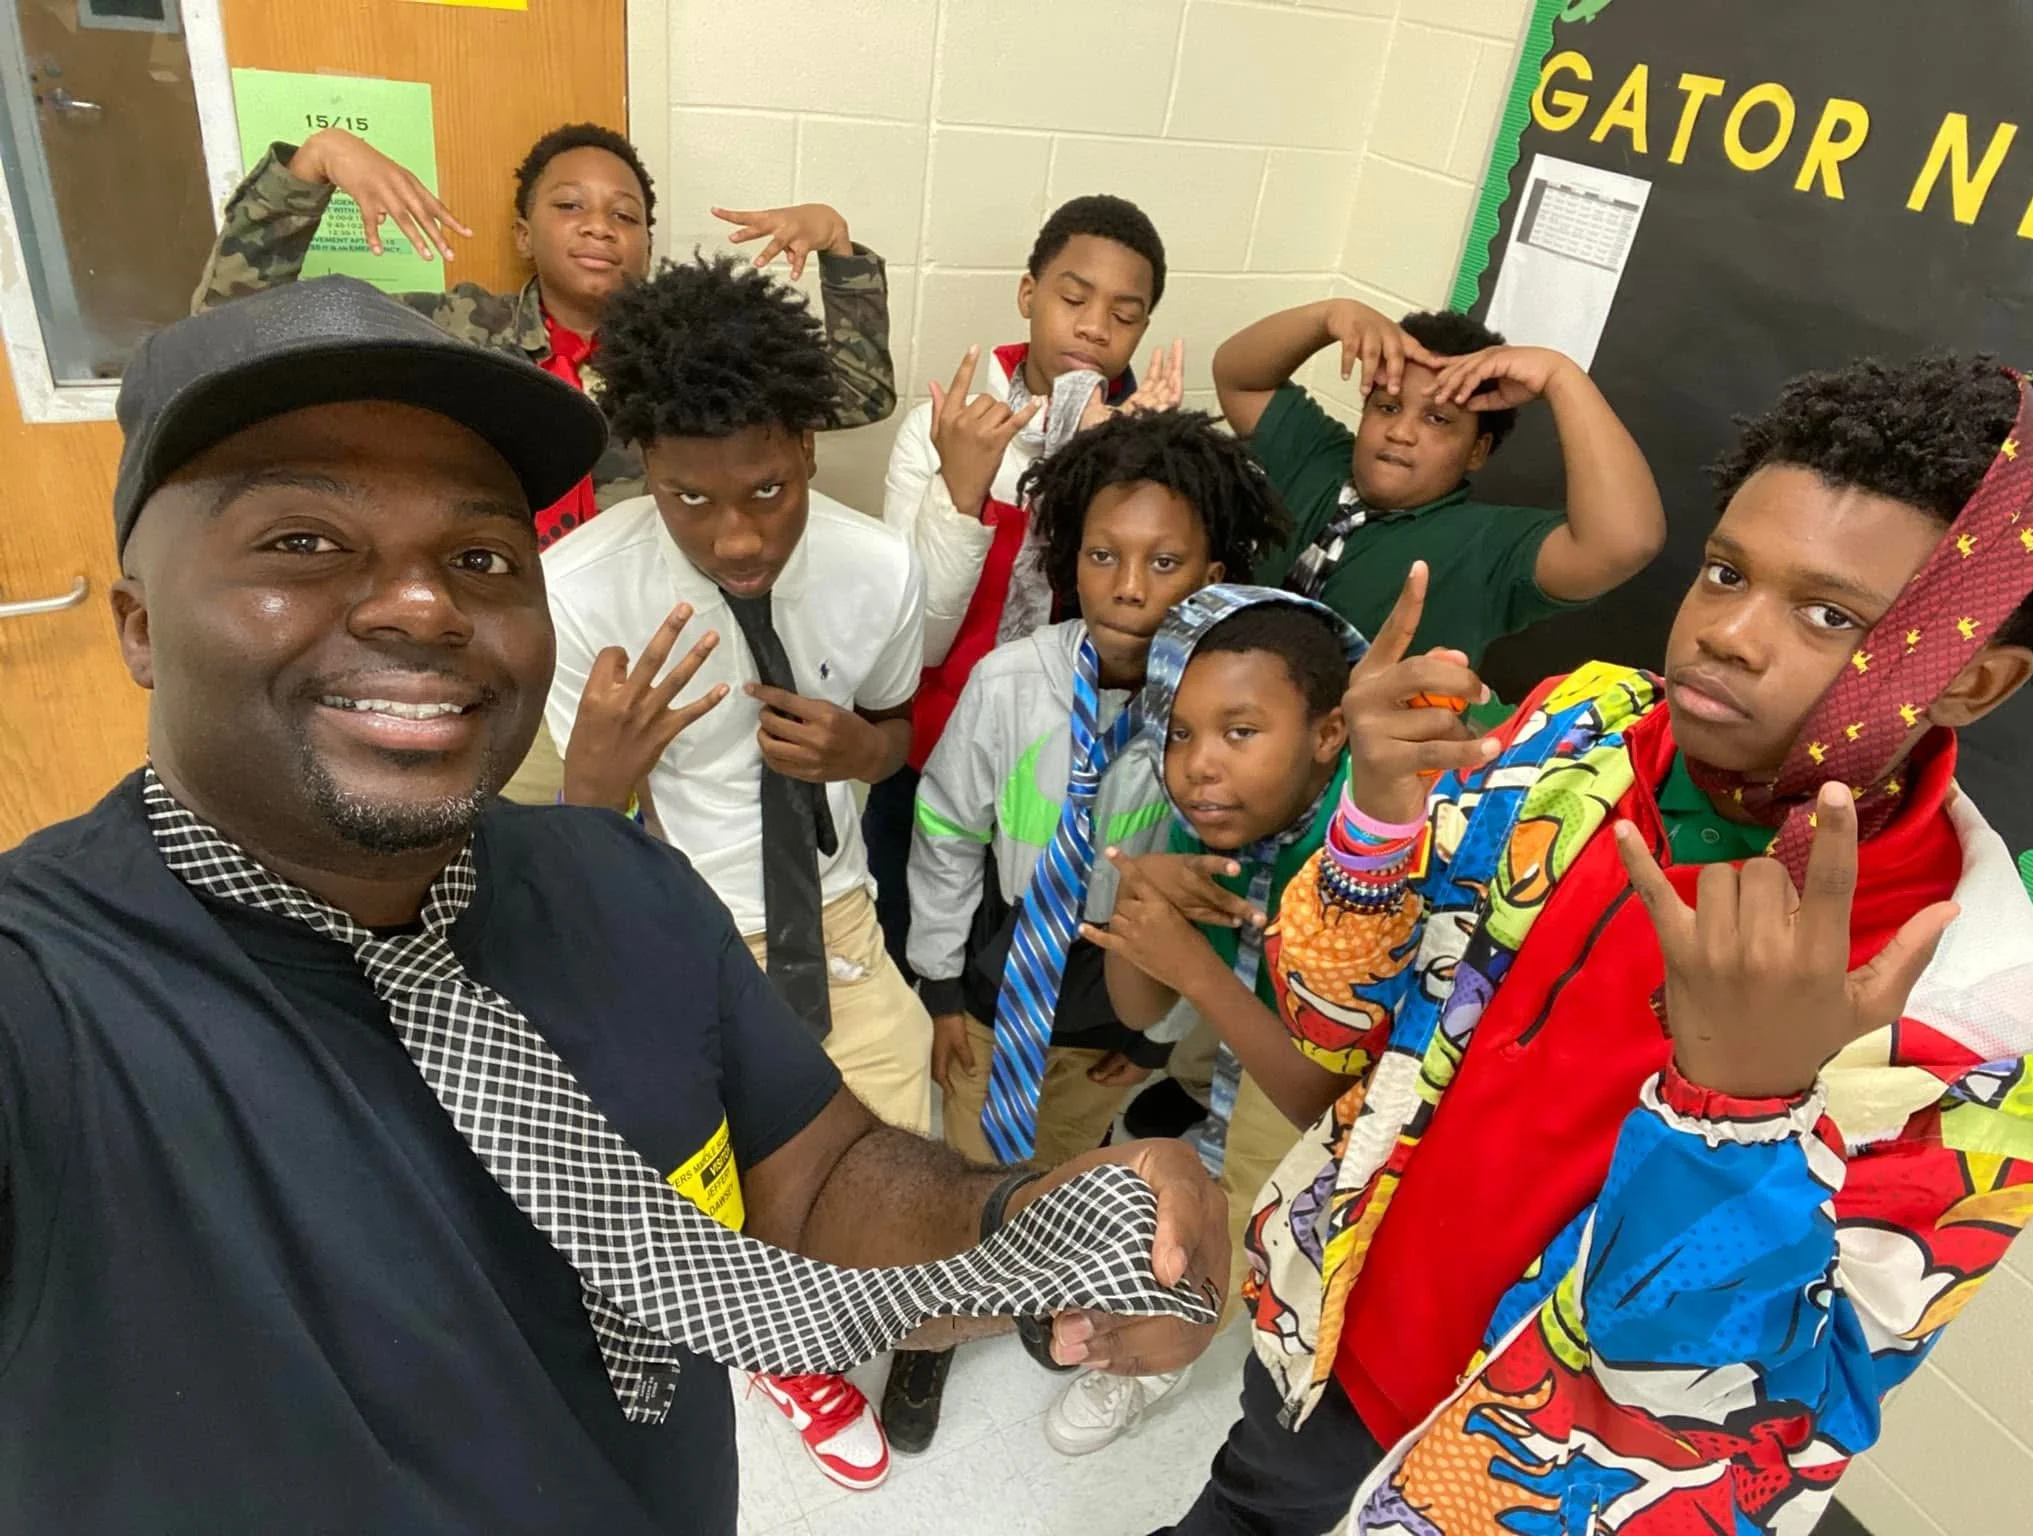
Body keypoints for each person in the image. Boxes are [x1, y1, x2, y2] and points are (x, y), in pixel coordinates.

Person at [0, 277, 1229, 1536]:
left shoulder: (623, 887)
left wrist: (1025, 1224)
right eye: (302, 544)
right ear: (138, 625)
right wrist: (604, 768)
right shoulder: (46, 1009)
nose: (421, 604)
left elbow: (816, 1180)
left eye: (479, 557)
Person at [1157, 353, 2033, 1535]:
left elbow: (1788, 1411)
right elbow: (1335, 1033)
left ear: (1972, 681)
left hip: (1541, 1497)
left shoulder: (1980, 1015)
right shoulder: (1570, 735)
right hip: (1323, 1358)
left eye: (1829, 616)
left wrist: (1737, 1119)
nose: (1726, 634)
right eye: (1725, 571)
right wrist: (1371, 822)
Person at [537, 252, 934, 1490]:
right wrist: (597, 777)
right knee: (706, 1167)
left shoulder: (878, 569)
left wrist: (862, 750)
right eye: (688, 498)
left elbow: (898, 731)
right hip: (679, 915)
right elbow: (578, 852)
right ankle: (774, 1344)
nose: (739, 535)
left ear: (808, 447)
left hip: (833, 908)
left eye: (767, 488)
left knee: (895, 1137)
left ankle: (851, 1316)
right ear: (642, 469)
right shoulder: (580, 593)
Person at [883, 410, 1289, 1455]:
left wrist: (1151, 1040)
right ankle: (933, 1328)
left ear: (1212, 573)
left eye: (1166, 562)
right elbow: (945, 836)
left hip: (1120, 987)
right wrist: (937, 985)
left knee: (1068, 1153)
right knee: (966, 1166)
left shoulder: (1216, 715)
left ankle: (1033, 1280)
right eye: (1104, 556)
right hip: (1002, 972)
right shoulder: (1011, 681)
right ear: (1071, 558)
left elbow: (1218, 894)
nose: (1129, 586)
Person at [193, 121, 895, 544]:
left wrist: (839, 251)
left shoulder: (693, 354)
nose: (599, 227)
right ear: (525, 235)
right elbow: (233, 332)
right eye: (569, 206)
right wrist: (314, 162)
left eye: (624, 216)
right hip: (488, 627)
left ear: (647, 243)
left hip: (646, 625)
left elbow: (860, 394)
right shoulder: (454, 331)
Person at [1047, 588, 1363, 1457]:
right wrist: (1141, 903)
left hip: (1347, 1075)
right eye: (1181, 734)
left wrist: (1190, 964)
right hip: (1268, 1023)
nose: (1198, 766)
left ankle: (1166, 1342)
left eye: (1240, 731)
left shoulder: (1368, 854)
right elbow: (1137, 1008)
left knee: (1259, 1191)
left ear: (1329, 735)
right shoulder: (1208, 819)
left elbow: (1317, 1098)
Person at [864, 194, 1181, 976]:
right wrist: (961, 494)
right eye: (1074, 298)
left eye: (1124, 315)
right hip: (930, 747)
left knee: (1026, 957)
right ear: (1028, 293)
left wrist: (1118, 466)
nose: (1095, 328)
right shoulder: (944, 429)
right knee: (907, 942)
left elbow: (1147, 626)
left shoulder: (1146, 443)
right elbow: (916, 643)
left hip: (1063, 764)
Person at [1212, 296, 1664, 655]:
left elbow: (1625, 542)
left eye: (1437, 419)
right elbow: (1238, 377)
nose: (1401, 432)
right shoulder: (1316, 455)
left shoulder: (1487, 547)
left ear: (1477, 451)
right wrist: (1329, 315)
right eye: (1387, 407)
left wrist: (1560, 376)